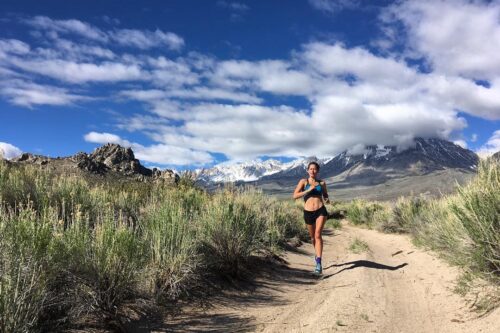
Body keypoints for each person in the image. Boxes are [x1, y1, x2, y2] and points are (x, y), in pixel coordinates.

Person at [292, 161, 330, 274]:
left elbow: (325, 195)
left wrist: (327, 199)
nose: (313, 171)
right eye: (311, 169)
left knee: (318, 235)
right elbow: (294, 196)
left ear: (317, 171)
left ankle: (318, 262)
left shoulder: (322, 183)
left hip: (320, 211)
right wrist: (308, 190)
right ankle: (317, 255)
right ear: (308, 170)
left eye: (315, 169)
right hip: (308, 212)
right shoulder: (303, 182)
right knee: (313, 238)